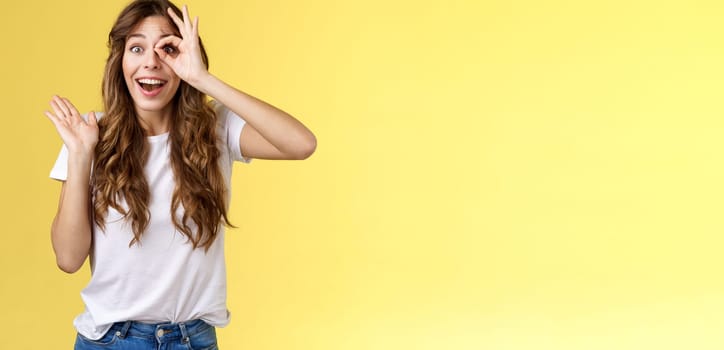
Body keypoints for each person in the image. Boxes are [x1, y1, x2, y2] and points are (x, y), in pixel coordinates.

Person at [44, 0, 316, 348]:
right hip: (111, 340)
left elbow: (301, 144)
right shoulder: (88, 134)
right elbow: (68, 259)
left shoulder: (215, 127)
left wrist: (203, 79)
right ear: (120, 62)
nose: (151, 62)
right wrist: (81, 156)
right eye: (137, 47)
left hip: (194, 339)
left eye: (167, 49)